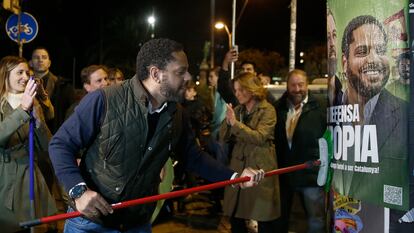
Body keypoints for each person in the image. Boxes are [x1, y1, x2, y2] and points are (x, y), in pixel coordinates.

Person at [49, 38, 265, 232]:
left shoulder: (177, 113)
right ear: (155, 73)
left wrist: (235, 177)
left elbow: (193, 157)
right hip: (91, 223)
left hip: (138, 222)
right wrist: (79, 191)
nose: (188, 77)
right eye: (181, 71)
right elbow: (60, 144)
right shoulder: (103, 100)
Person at [335, 15, 411, 233]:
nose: (374, 59)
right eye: (362, 51)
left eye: (380, 50)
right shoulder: (335, 110)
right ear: (344, 61)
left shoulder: (405, 112)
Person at [0, 56, 57, 232]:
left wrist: (39, 120)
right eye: (19, 72)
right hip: (4, 178)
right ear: (5, 75)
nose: (25, 77)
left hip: (30, 178)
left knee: (33, 226)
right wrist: (22, 110)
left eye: (27, 72)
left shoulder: (34, 103)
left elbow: (47, 146)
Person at [220, 72, 280, 233]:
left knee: (262, 215)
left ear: (251, 89)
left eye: (240, 90)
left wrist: (235, 124)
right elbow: (223, 137)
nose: (237, 94)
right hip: (239, 165)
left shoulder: (268, 110)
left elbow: (260, 137)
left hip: (260, 166)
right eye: (235, 90)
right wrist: (228, 122)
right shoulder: (238, 110)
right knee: (236, 214)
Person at [273, 69, 327, 233]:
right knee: (280, 218)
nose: (297, 89)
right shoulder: (278, 108)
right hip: (284, 174)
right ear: (287, 86)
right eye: (293, 85)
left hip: (310, 174)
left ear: (307, 85)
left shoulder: (321, 106)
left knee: (316, 219)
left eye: (300, 84)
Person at [30, 47, 76, 134]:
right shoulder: (24, 85)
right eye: (36, 57)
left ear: (49, 63)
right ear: (30, 63)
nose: (40, 60)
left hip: (57, 134)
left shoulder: (64, 86)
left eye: (44, 57)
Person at [327, 7, 343, 106]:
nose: (332, 43)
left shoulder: (345, 97)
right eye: (328, 38)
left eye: (334, 35)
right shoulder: (318, 99)